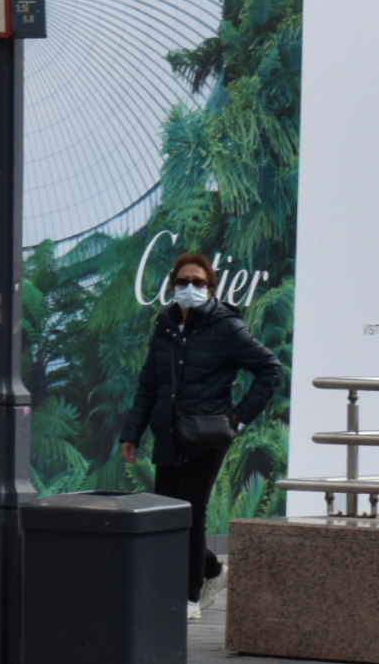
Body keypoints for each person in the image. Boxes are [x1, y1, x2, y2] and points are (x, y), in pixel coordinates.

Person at [119, 251, 283, 617]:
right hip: (169, 435)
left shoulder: (226, 327)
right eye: (182, 282)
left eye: (198, 282)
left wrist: (238, 418)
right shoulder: (163, 328)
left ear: (210, 288)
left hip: (206, 435)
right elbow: (148, 386)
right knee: (167, 513)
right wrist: (132, 432)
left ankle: (189, 597)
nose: (190, 288)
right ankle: (211, 569)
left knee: (190, 511)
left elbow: (269, 369)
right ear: (172, 285)